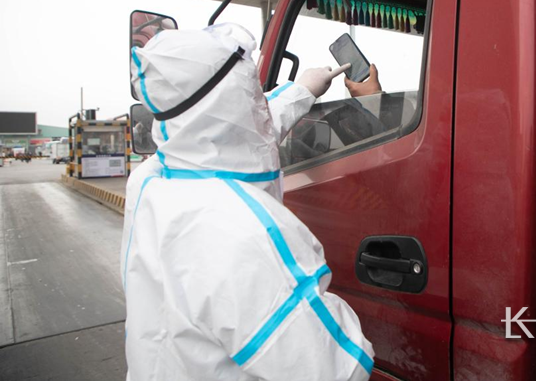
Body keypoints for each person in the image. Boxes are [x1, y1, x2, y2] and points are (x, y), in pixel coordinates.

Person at [122, 22, 374, 381]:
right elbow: (336, 370)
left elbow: (231, 133)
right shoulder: (243, 232)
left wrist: (302, 90)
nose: (260, 100)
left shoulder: (148, 181)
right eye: (252, 89)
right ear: (234, 101)